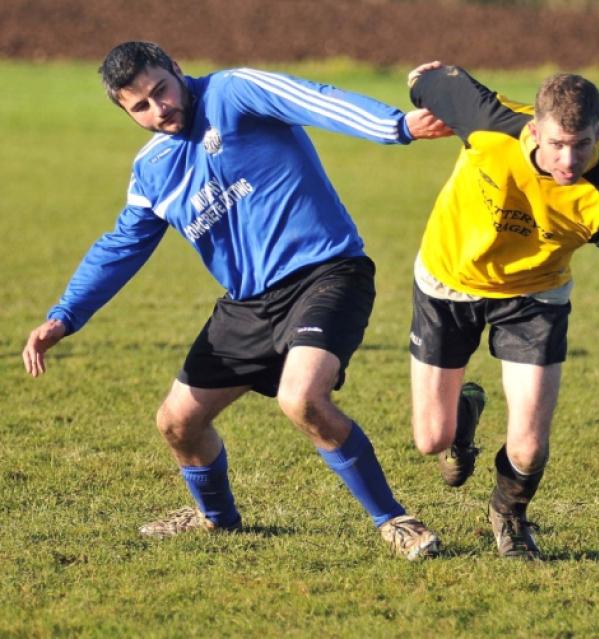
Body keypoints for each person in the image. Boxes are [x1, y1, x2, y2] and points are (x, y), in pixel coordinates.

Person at [21, 41, 451, 560]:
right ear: (125, 112)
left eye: (161, 90)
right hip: (247, 305)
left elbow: (317, 99)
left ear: (177, 71)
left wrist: (397, 126)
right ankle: (216, 520)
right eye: (140, 106)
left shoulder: (235, 92)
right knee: (177, 423)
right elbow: (120, 247)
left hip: (327, 274)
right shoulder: (152, 170)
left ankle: (394, 520)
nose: (159, 109)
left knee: (303, 399)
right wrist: (62, 317)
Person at [405, 63, 599, 559]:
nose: (569, 159)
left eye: (583, 144)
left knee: (529, 448)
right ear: (534, 130)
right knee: (430, 439)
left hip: (535, 295)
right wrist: (421, 87)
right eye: (557, 144)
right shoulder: (488, 121)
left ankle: (509, 514)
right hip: (449, 280)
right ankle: (463, 419)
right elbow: (426, 78)